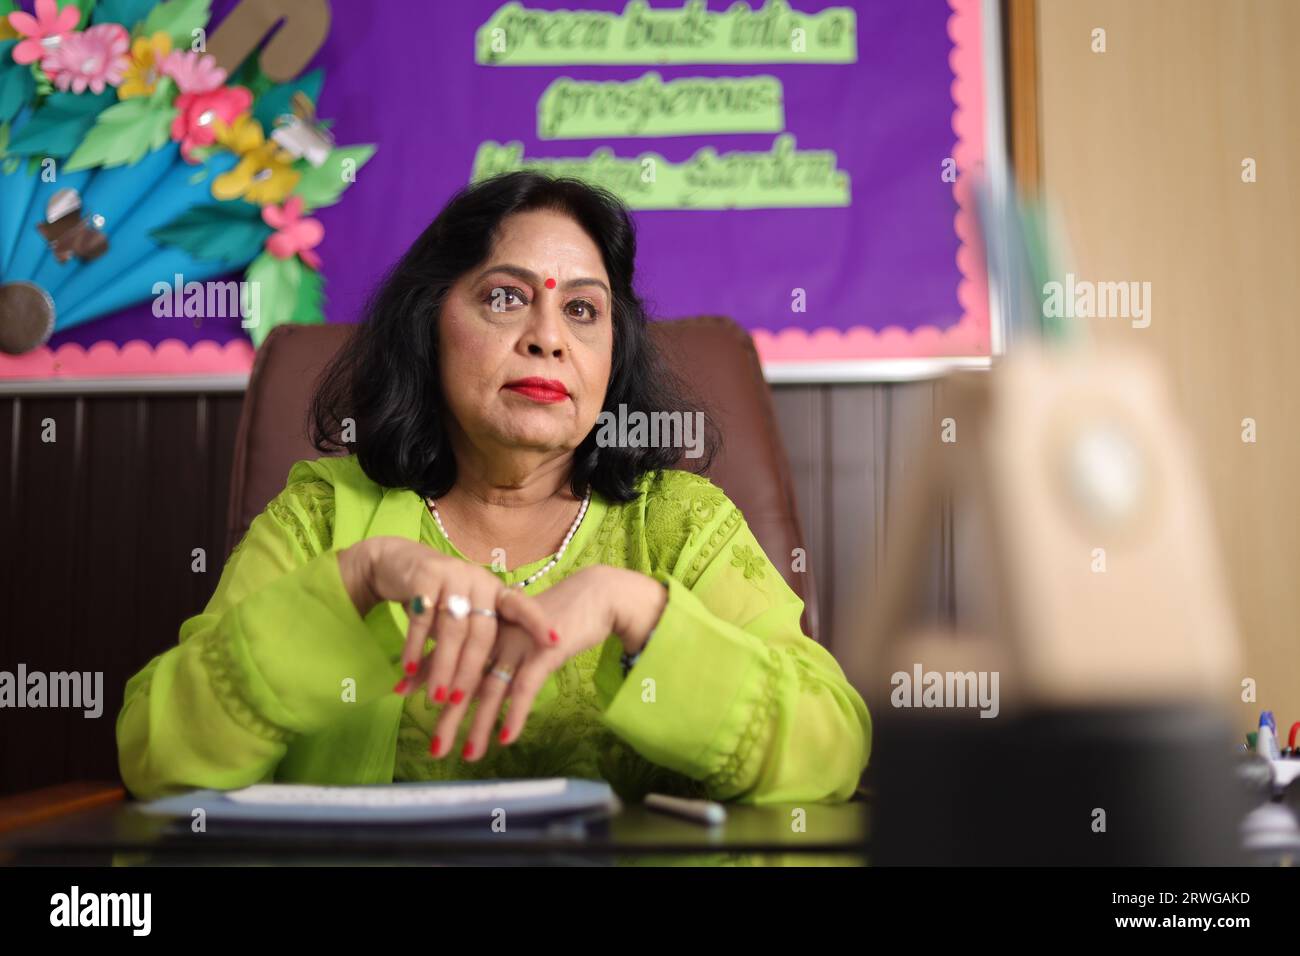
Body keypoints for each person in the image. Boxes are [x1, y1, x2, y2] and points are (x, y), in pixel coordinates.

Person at [116, 171, 872, 804]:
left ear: (613, 355)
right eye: (506, 297)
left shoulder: (680, 526)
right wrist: (352, 583)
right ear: (429, 324)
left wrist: (637, 610)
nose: (548, 336)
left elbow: (832, 747)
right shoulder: (323, 517)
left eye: (582, 309)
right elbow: (156, 758)